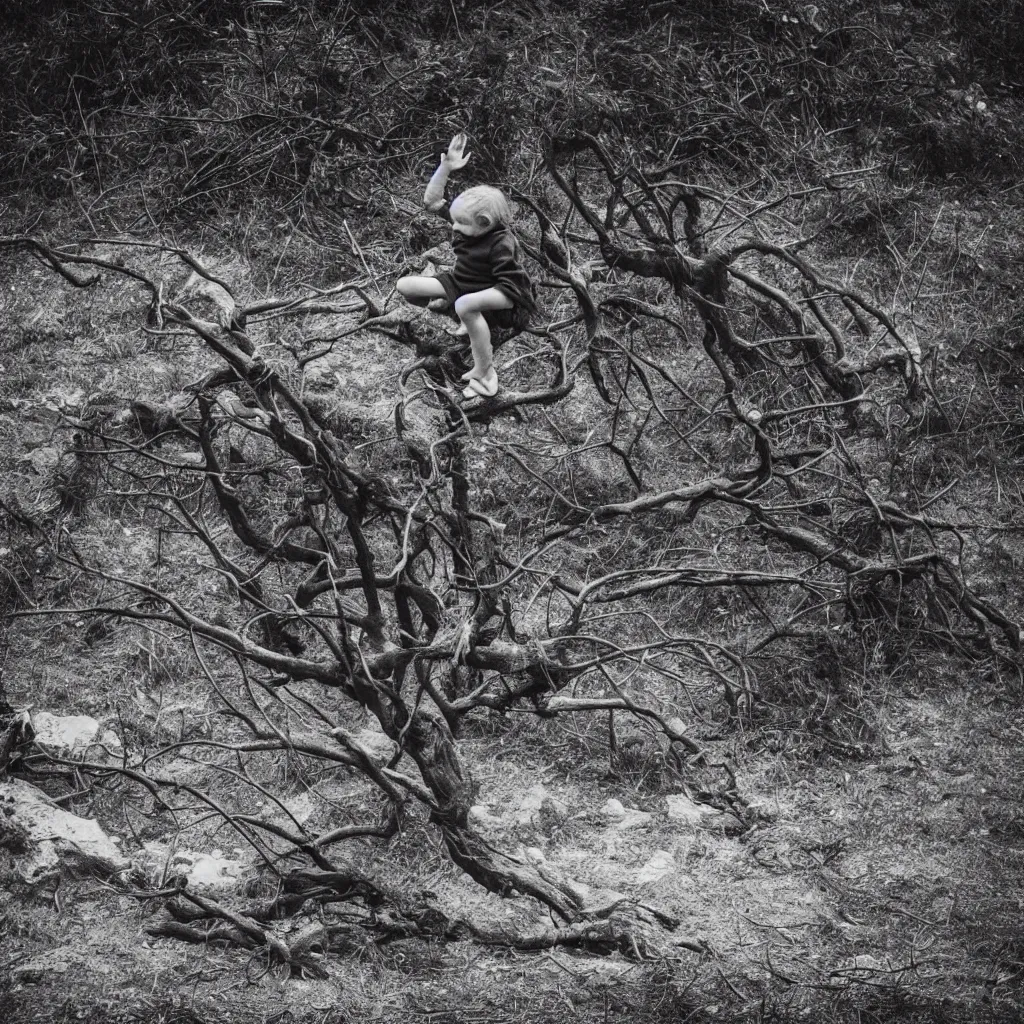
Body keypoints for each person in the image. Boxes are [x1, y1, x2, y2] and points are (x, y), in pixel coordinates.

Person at [396, 133, 537, 399]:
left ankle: (485, 370)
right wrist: (446, 167)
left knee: (465, 305)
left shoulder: (501, 243)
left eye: (460, 222)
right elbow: (432, 202)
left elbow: (511, 290)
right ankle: (456, 309)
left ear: (484, 222)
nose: (454, 226)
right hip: (460, 282)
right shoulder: (472, 226)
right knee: (406, 286)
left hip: (501, 294)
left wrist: (472, 302)